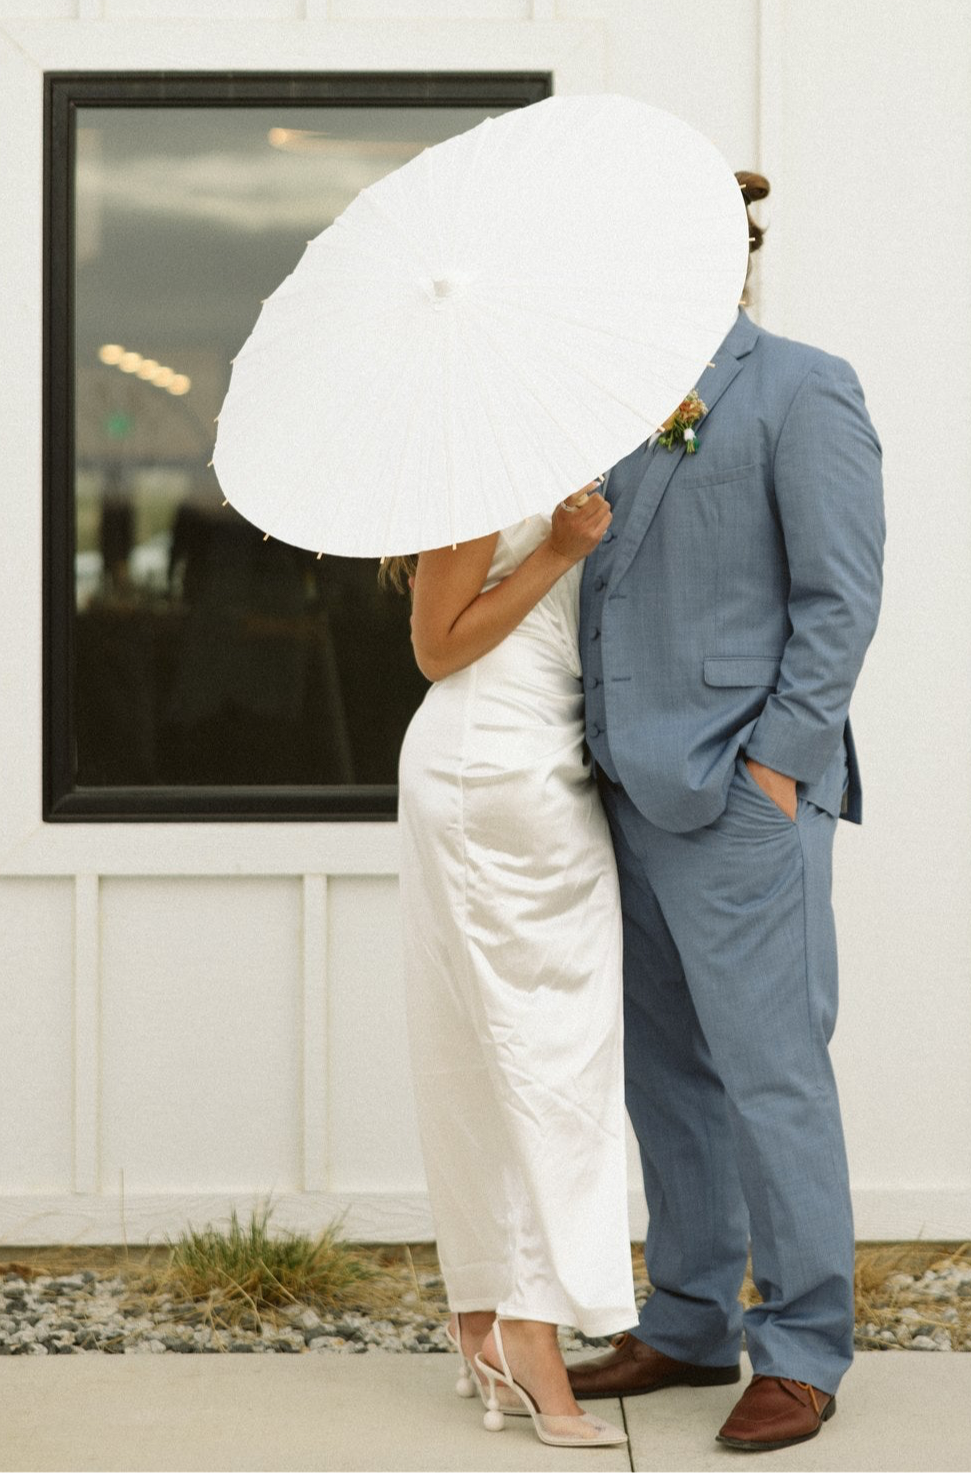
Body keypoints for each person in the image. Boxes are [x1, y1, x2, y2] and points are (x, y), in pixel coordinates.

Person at [566, 170, 886, 1455]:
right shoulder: (594, 400)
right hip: (618, 794)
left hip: (741, 797)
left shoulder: (802, 387)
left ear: (728, 254)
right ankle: (691, 1318)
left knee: (770, 1077)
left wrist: (776, 771)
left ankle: (803, 1346)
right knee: (668, 1077)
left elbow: (839, 602)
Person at [394, 488, 635, 1449]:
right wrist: (561, 551)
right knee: (555, 1052)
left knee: (485, 1051)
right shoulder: (476, 474)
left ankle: (483, 1311)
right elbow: (436, 647)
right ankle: (528, 1329)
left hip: (530, 757)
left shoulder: (550, 450)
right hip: (495, 770)